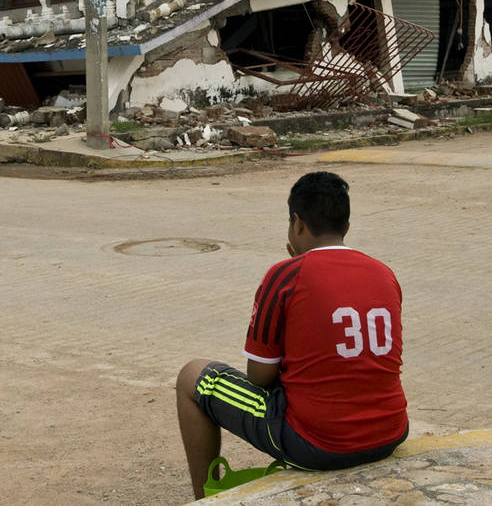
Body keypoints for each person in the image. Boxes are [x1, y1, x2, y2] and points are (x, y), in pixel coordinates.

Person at [175, 171, 408, 499]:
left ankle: (205, 499)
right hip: (390, 432)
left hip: (315, 444)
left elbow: (259, 377)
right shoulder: (384, 273)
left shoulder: (284, 275)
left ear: (297, 224)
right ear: (346, 227)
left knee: (192, 377)